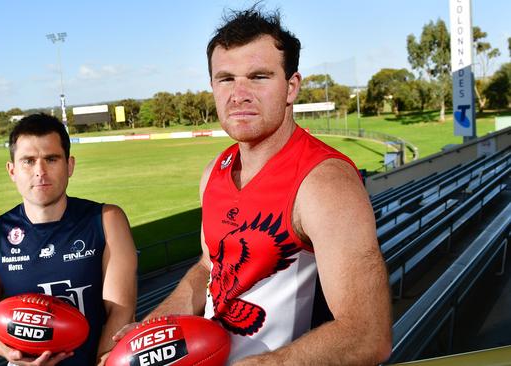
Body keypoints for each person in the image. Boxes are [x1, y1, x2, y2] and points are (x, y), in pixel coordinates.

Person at [114, 6, 392, 365]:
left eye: (258, 77)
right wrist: (153, 327)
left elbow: (368, 335)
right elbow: (208, 267)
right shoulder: (215, 170)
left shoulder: (324, 182)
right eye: (226, 78)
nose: (239, 94)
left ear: (291, 87)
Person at [0, 113, 137, 366]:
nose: (40, 171)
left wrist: (101, 361)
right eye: (28, 161)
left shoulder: (106, 220)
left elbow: (121, 308)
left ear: (69, 165)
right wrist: (12, 354)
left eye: (51, 159)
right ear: (12, 170)